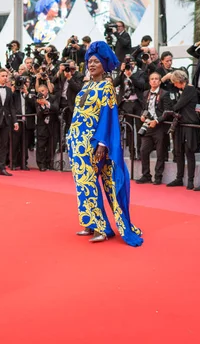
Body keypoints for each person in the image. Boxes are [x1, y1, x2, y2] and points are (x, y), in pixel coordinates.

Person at [67, 41, 143, 246]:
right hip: (77, 143)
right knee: (82, 184)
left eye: (95, 62)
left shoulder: (106, 86)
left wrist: (102, 143)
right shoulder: (86, 85)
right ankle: (90, 222)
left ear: (104, 64)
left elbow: (108, 116)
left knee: (92, 183)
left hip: (93, 143)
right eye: (89, 61)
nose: (91, 65)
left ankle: (102, 227)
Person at [166, 70, 200, 190]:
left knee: (189, 152)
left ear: (180, 81)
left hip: (189, 124)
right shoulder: (183, 90)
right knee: (178, 152)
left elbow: (177, 106)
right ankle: (179, 178)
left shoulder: (190, 89)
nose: (174, 85)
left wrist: (172, 108)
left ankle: (190, 180)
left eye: (175, 82)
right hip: (180, 124)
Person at [136, 72, 172, 185]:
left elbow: (167, 112)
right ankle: (146, 175)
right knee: (143, 150)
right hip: (148, 126)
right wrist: (142, 115)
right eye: (152, 79)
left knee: (160, 152)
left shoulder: (165, 94)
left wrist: (156, 121)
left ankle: (158, 176)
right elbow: (144, 108)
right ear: (149, 81)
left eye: (157, 79)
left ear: (160, 81)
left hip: (160, 126)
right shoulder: (146, 93)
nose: (154, 81)